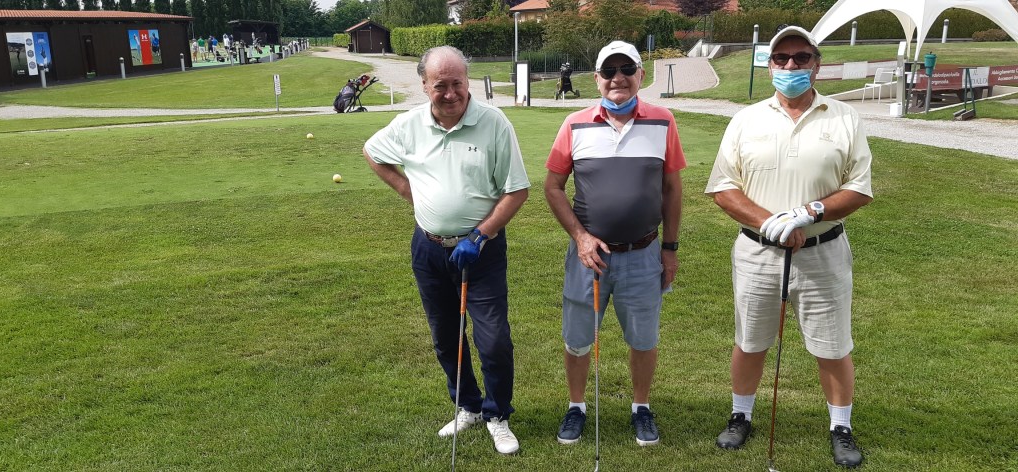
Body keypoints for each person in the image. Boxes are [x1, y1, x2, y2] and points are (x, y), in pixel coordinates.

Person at [704, 25, 872, 468]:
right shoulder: (746, 119)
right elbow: (723, 187)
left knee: (832, 345)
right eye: (781, 58)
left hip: (823, 250)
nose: (791, 65)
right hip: (758, 251)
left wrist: (809, 212)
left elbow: (859, 188)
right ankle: (741, 415)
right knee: (750, 340)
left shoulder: (844, 117)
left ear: (816, 64)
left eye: (801, 57)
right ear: (770, 65)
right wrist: (772, 222)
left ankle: (841, 425)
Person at [363, 45, 530, 455]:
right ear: (424, 85)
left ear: (467, 81)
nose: (451, 93)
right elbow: (372, 152)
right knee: (445, 336)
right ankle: (467, 405)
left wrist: (481, 235)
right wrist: (409, 191)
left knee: (493, 339)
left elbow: (516, 190)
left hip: (481, 250)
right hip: (429, 249)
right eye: (441, 85)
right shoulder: (409, 125)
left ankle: (497, 414)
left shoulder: (493, 123)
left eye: (458, 83)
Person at [544, 40, 686, 447]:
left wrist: (670, 249)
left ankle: (641, 407)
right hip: (588, 257)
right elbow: (553, 186)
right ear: (597, 79)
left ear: (641, 74)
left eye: (626, 69)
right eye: (609, 71)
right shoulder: (574, 124)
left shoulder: (663, 121)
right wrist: (581, 237)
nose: (617, 78)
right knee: (577, 338)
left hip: (643, 253)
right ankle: (576, 406)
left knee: (643, 338)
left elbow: (672, 189)